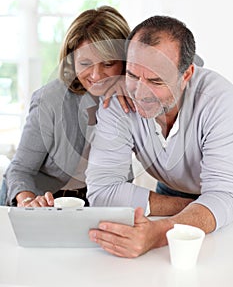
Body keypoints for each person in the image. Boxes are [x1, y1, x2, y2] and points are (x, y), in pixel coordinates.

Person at [86, 15, 233, 258]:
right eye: (133, 75)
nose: (140, 92)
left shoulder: (220, 101)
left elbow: (224, 195)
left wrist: (159, 234)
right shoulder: (118, 101)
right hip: (174, 191)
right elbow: (102, 191)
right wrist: (198, 209)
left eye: (156, 80)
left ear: (186, 75)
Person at [3, 5, 132, 207]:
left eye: (108, 64)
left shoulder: (130, 97)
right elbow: (20, 170)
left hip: (94, 203)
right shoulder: (49, 99)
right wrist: (28, 201)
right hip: (45, 200)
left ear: (125, 61)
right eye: (85, 63)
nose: (96, 75)